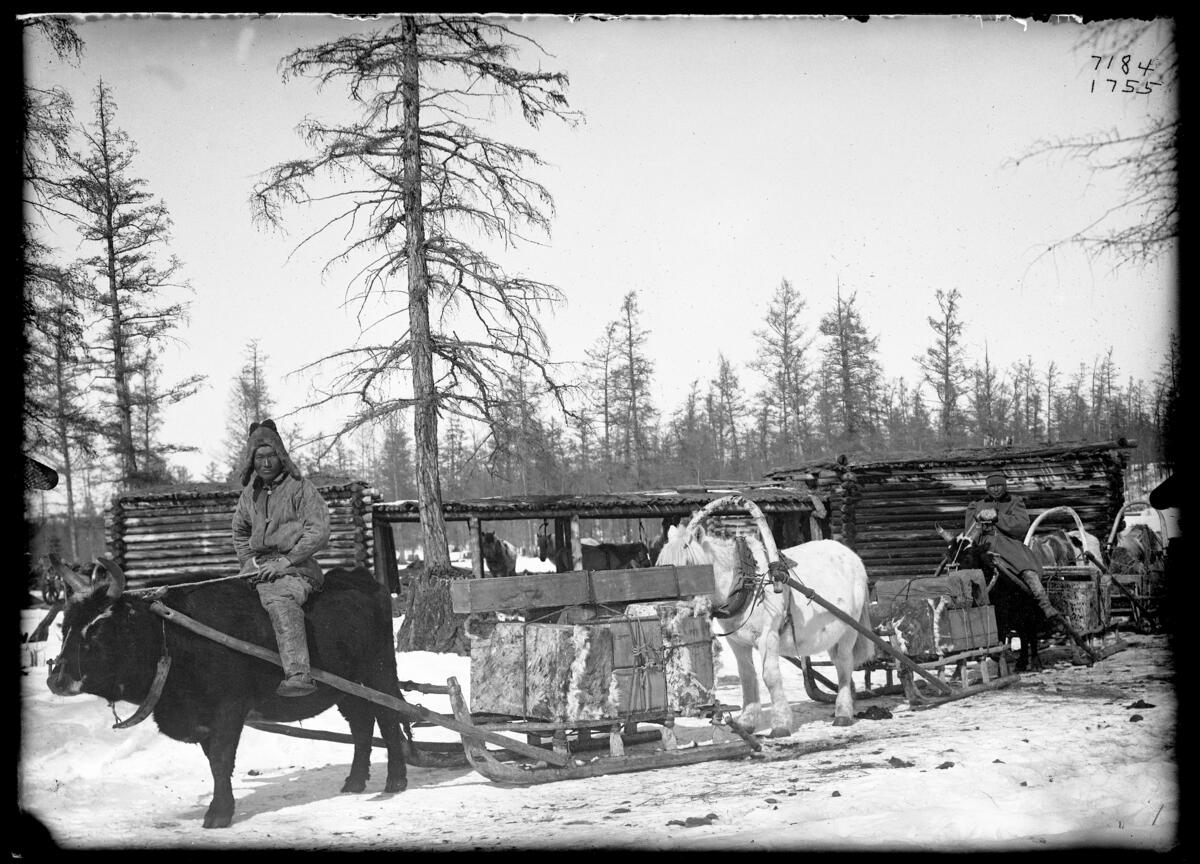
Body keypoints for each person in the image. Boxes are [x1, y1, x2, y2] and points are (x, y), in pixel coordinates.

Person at [232, 420, 331, 697]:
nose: (266, 463)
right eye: (259, 457)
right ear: (252, 461)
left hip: (296, 569)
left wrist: (286, 561)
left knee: (279, 600)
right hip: (257, 569)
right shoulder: (249, 495)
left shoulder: (300, 487)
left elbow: (319, 530)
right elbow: (240, 530)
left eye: (271, 455)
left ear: (281, 455)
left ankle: (298, 672)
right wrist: (249, 562)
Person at [966, 471, 1095, 661]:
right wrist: (978, 520)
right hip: (983, 546)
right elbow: (969, 529)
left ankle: (1044, 603)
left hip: (1009, 547)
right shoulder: (976, 505)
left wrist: (997, 517)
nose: (995, 489)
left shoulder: (1015, 502)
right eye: (992, 486)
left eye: (999, 485)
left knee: (1027, 570)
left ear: (1005, 486)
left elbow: (1020, 526)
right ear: (987, 488)